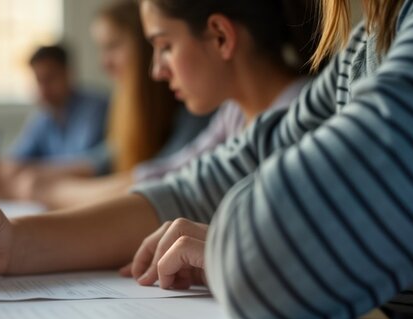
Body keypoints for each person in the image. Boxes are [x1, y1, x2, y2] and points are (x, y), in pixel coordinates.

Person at [0, 0, 413, 319]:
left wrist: (229, 239)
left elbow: (269, 260)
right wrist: (12, 244)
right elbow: (206, 183)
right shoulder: (370, 45)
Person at [20, 0, 317, 209]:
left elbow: (168, 189)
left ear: (220, 36)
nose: (156, 71)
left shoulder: (298, 120)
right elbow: (170, 177)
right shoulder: (233, 114)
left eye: (166, 47)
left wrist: (46, 192)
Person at [0, 0, 211, 205]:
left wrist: (41, 188)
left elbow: (160, 181)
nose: (105, 64)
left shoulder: (193, 108)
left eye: (113, 46)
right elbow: (107, 158)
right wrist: (2, 171)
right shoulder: (119, 110)